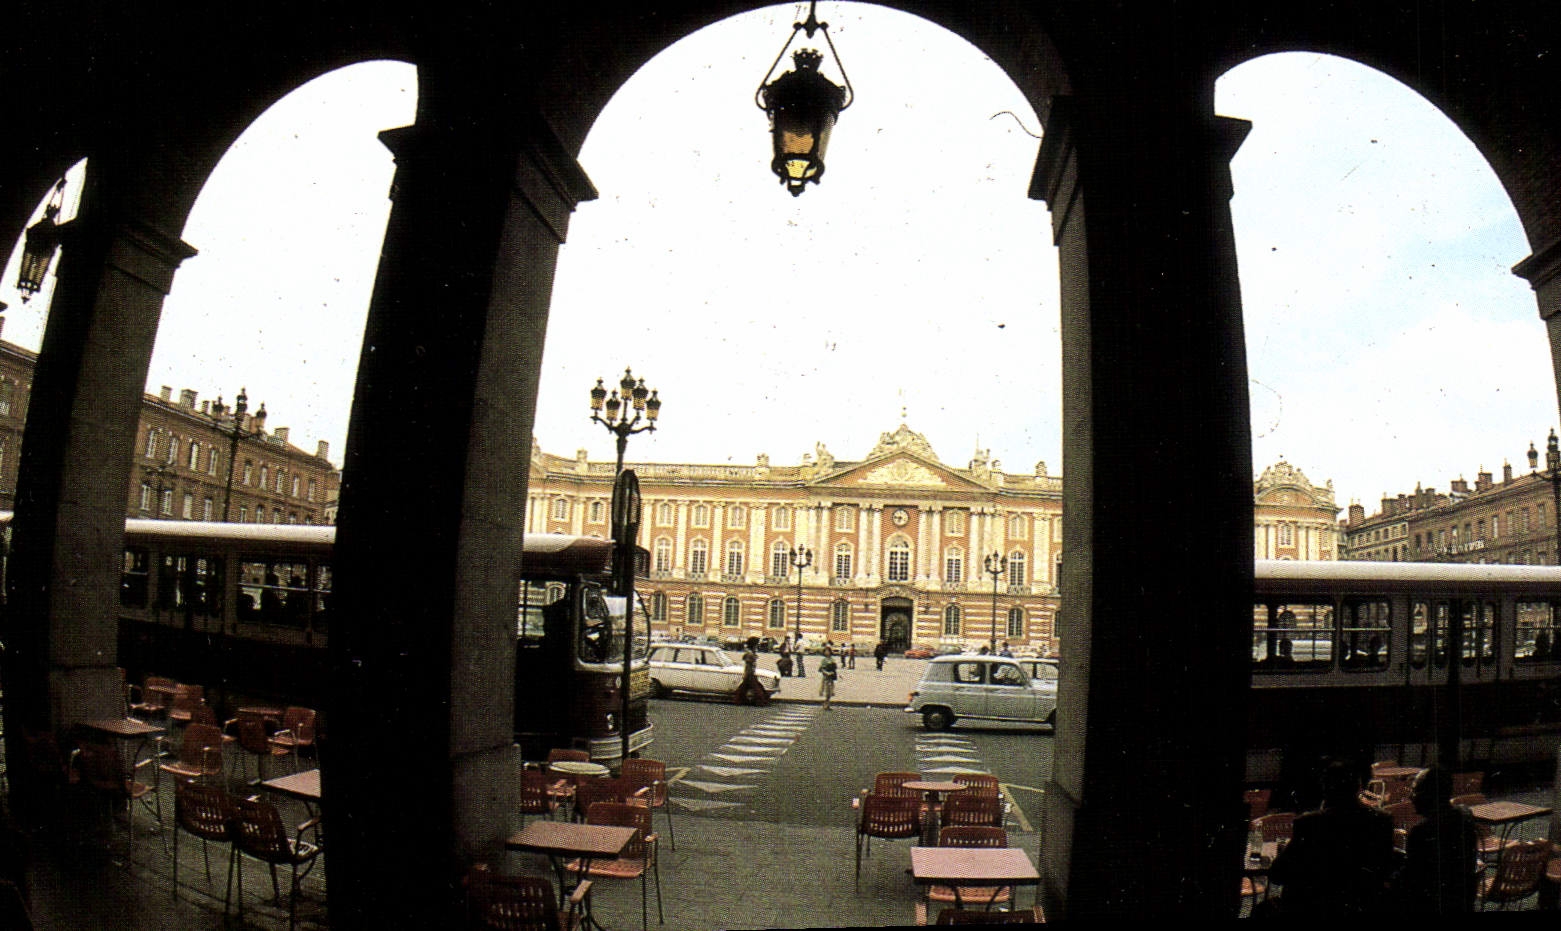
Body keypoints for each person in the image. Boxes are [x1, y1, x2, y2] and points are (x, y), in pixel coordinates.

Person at [1269, 758, 1396, 917]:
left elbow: (1278, 874)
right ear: (1359, 788)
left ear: (1326, 788)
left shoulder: (1310, 823)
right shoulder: (1382, 820)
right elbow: (1386, 867)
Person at [1393, 766, 1478, 914]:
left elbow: (1411, 878)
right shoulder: (1465, 815)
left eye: (1415, 790)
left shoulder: (1421, 831)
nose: (1411, 797)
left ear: (1430, 795)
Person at [735, 637, 769, 706]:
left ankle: (739, 700)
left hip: (750, 673)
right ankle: (761, 701)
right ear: (753, 645)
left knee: (743, 688)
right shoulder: (749, 654)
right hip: (750, 674)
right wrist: (746, 674)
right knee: (756, 689)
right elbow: (748, 664)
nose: (757, 646)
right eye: (756, 644)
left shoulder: (751, 653)